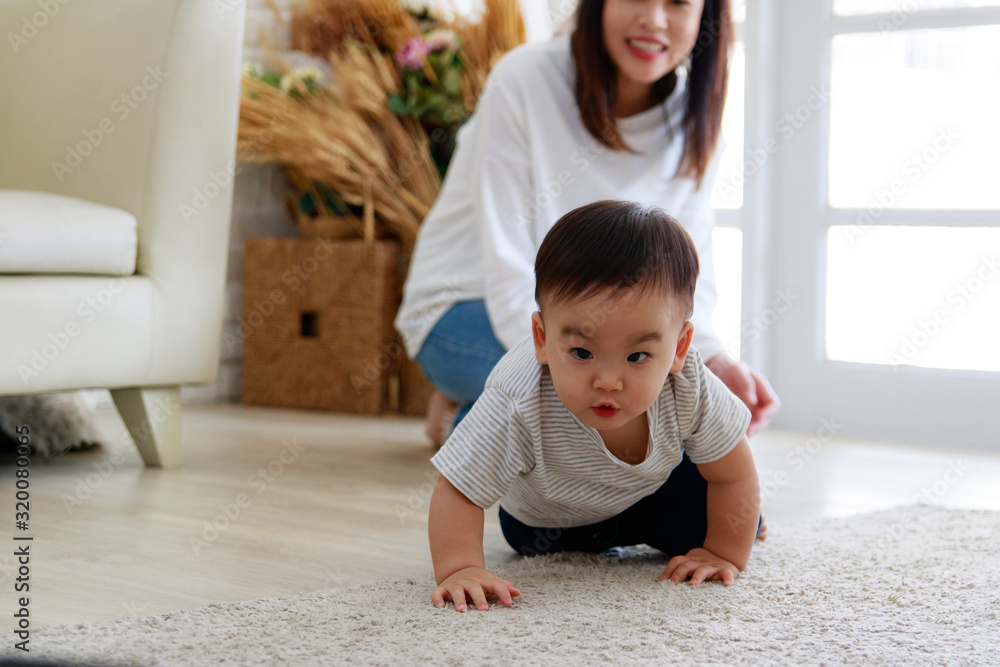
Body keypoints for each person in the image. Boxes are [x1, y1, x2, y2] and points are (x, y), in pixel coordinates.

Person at [395, 0, 779, 447]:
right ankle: (473, 416)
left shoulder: (694, 126)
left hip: (597, 332)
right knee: (615, 410)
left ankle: (475, 411)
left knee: (646, 404)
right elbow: (507, 263)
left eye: (678, 2)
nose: (654, 19)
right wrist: (587, 372)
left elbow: (689, 276)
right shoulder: (523, 80)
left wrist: (714, 361)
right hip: (467, 307)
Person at [428, 201, 762, 612]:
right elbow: (459, 488)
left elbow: (733, 473)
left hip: (650, 496)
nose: (608, 381)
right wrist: (460, 568)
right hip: (548, 523)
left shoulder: (689, 382)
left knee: (738, 518)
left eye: (637, 357)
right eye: (582, 352)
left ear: (678, 349)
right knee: (536, 541)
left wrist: (724, 553)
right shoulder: (517, 396)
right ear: (541, 337)